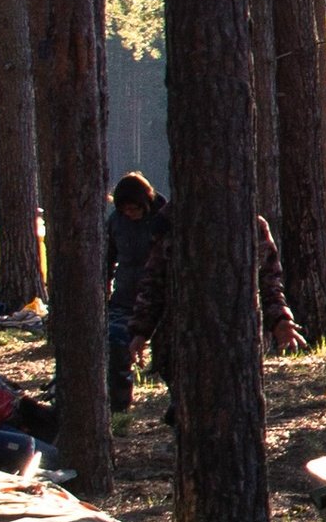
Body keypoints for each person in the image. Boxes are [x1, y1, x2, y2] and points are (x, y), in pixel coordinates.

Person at [124, 196, 303, 392]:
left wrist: (280, 319)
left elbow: (269, 279)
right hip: (183, 342)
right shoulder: (170, 224)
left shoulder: (249, 223)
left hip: (237, 340)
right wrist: (140, 331)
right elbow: (153, 283)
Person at [104, 173, 166, 417]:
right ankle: (119, 405)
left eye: (134, 208)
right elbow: (108, 257)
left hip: (159, 298)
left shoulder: (163, 219)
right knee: (116, 345)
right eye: (125, 209)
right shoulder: (115, 222)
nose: (130, 213)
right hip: (125, 297)